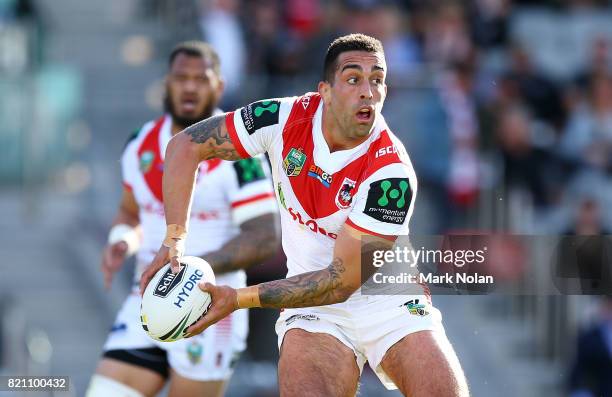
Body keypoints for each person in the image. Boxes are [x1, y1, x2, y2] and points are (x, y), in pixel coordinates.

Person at [142, 34, 469, 396]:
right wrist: (173, 241)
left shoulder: (391, 175)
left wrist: (238, 298)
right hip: (315, 311)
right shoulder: (281, 118)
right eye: (353, 78)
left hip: (389, 303)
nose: (367, 91)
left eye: (377, 80)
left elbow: (341, 282)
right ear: (324, 91)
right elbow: (185, 146)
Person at [87, 41, 279, 397]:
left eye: (200, 79)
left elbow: (265, 237)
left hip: (209, 304)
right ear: (166, 84)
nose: (189, 87)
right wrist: (122, 241)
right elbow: (132, 211)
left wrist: (191, 269)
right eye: (180, 78)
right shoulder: (139, 144)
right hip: (146, 300)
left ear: (219, 86)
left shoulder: (241, 152)